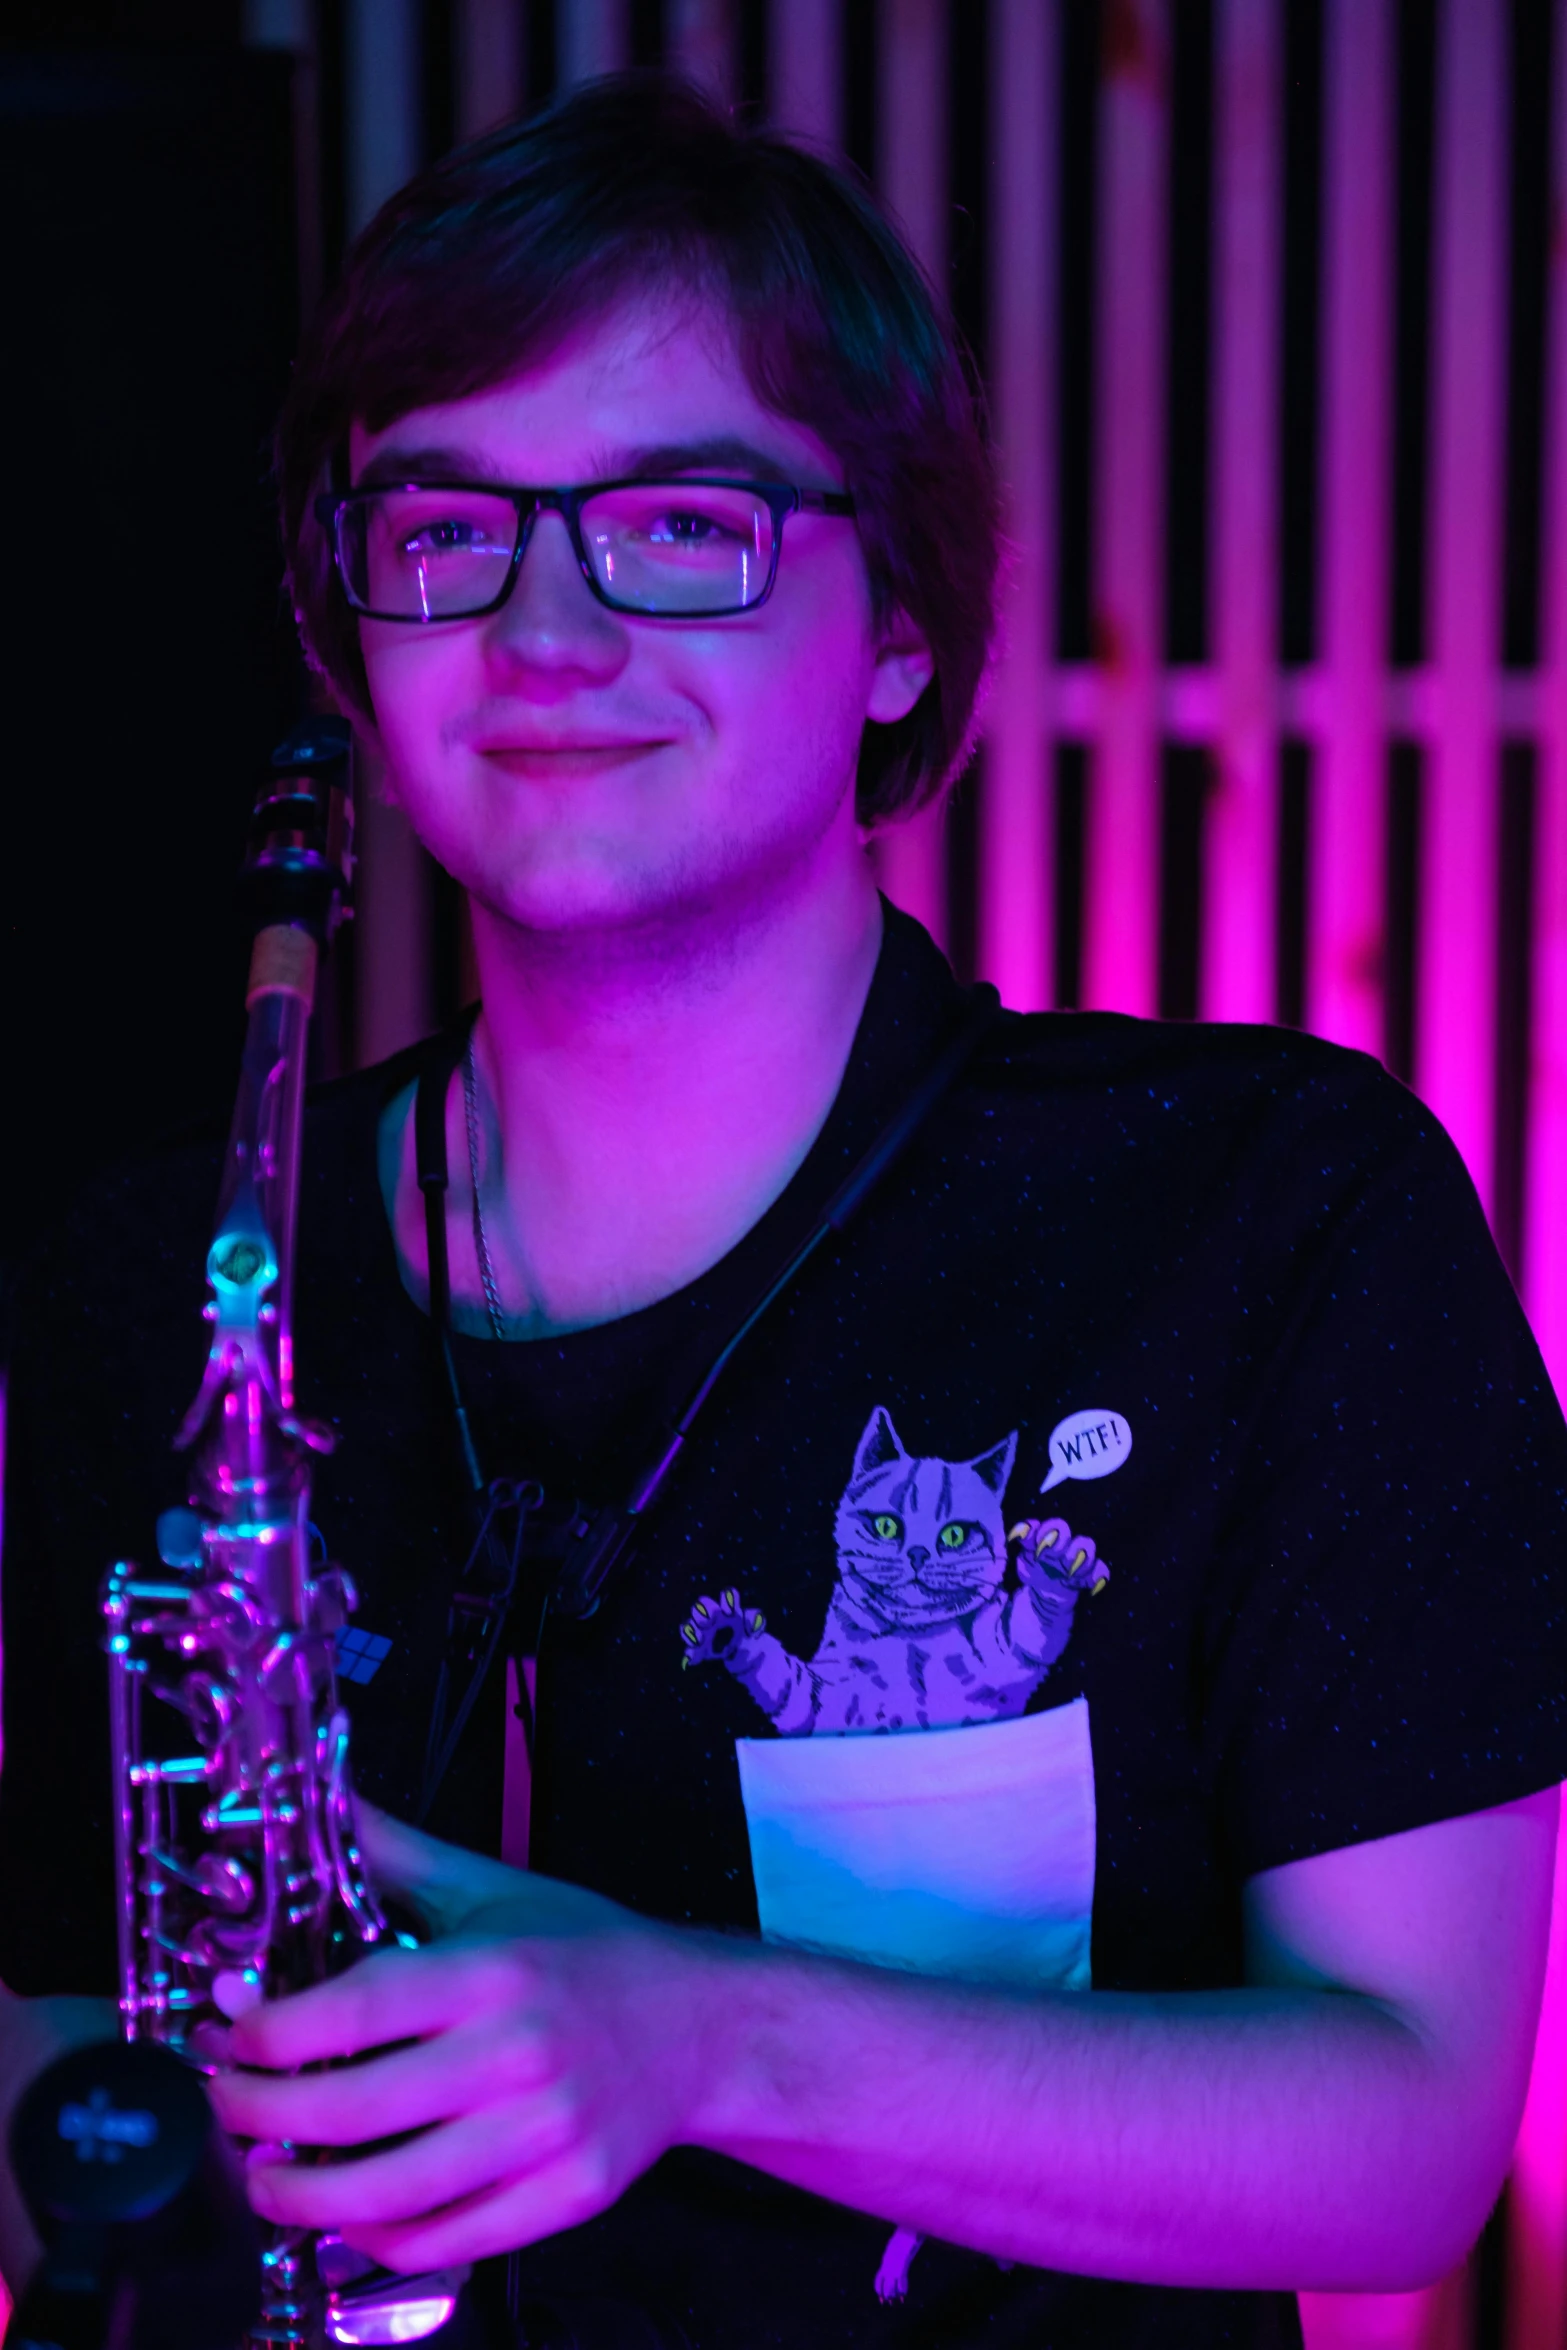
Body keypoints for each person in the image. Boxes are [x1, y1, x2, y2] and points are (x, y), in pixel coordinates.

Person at [2, 73, 1564, 2350]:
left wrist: (697, 2038)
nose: (539, 630)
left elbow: (1408, 2130)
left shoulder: (1269, 1216)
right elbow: (52, 2035)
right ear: (354, 626)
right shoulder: (158, 1281)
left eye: (678, 521)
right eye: (441, 526)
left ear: (904, 624)